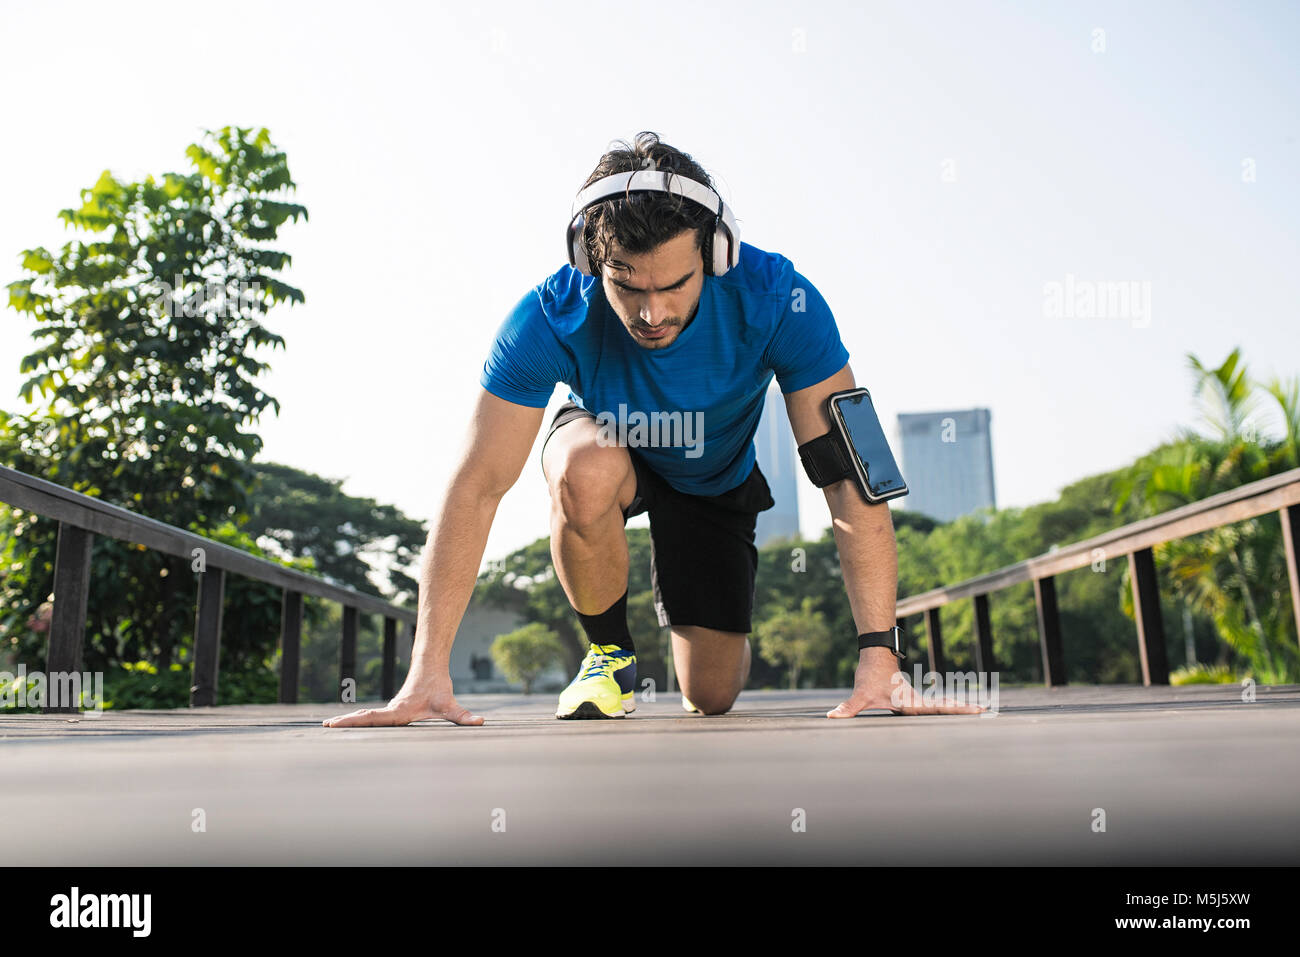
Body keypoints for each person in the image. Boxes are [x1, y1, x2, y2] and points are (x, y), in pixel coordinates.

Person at [324, 132, 981, 727]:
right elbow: (475, 485)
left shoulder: (782, 298)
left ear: (717, 254)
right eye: (626, 286)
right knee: (585, 468)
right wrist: (427, 669)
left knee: (712, 694)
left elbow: (849, 477)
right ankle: (611, 656)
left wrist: (880, 659)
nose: (651, 313)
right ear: (590, 259)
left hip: (714, 479)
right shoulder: (548, 315)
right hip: (607, 442)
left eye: (674, 285)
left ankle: (712, 638)